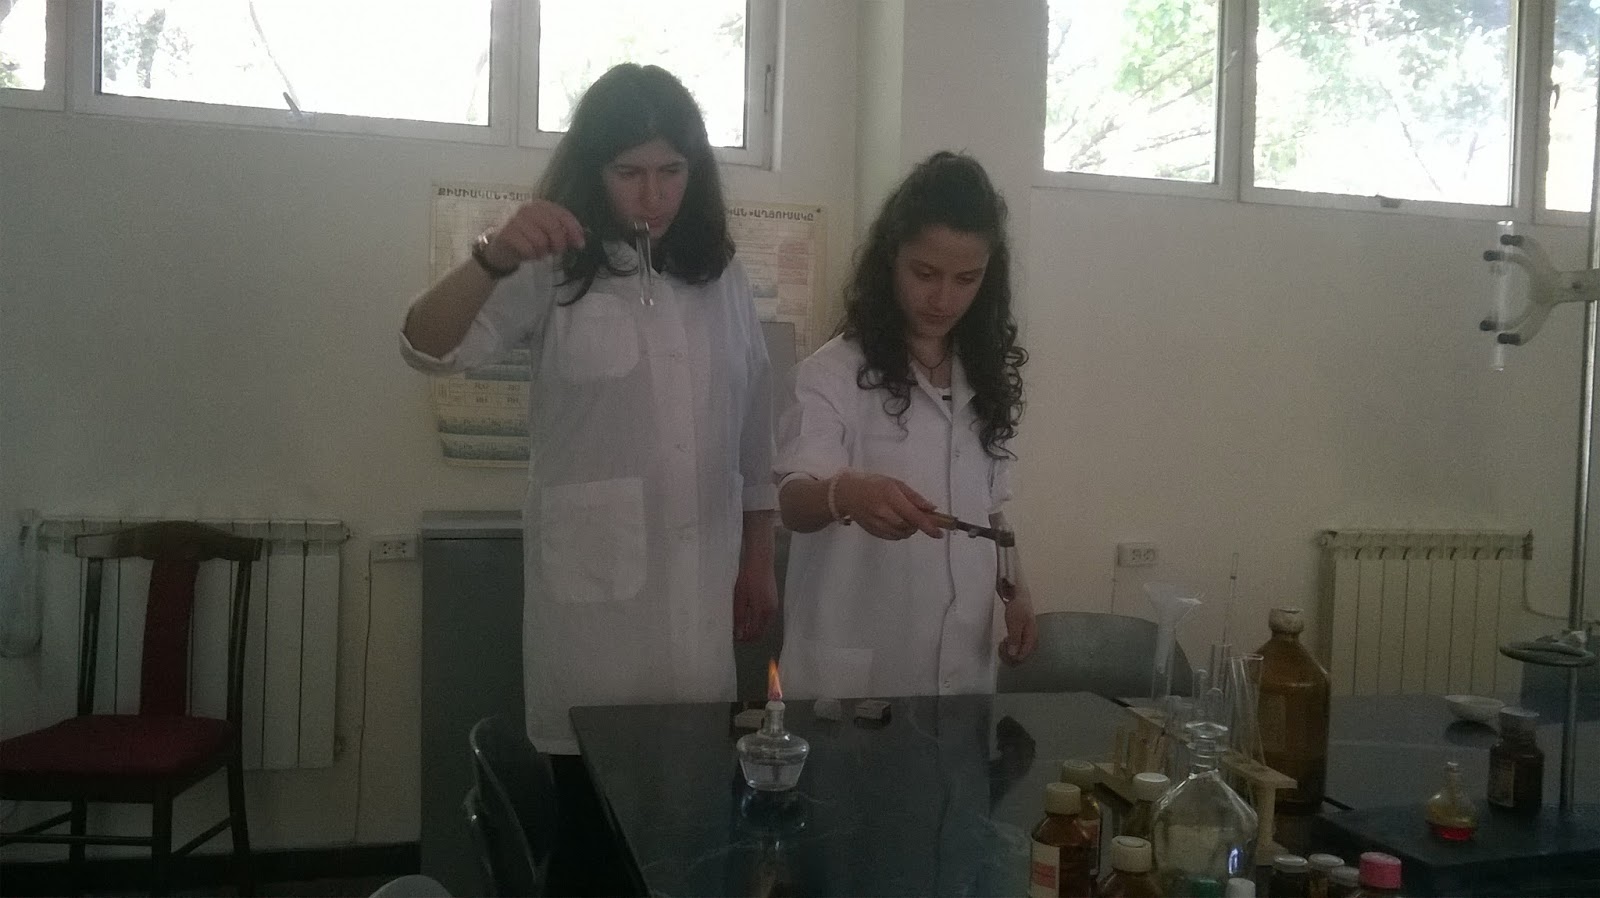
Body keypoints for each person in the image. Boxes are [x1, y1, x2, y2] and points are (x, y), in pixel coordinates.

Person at [399, 63, 776, 890]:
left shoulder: (720, 278)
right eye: (629, 171)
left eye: (672, 170)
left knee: (689, 839)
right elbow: (425, 346)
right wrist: (493, 255)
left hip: (699, 610)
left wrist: (758, 557)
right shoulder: (551, 266)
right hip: (595, 628)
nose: (654, 195)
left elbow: (753, 427)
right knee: (595, 848)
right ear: (593, 170)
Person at [774, 150, 1036, 701]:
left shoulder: (983, 376)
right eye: (925, 274)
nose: (944, 299)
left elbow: (989, 510)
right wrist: (846, 493)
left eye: (966, 279)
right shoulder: (832, 374)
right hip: (853, 673)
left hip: (962, 669)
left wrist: (1015, 588)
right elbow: (793, 503)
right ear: (891, 259)